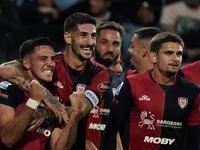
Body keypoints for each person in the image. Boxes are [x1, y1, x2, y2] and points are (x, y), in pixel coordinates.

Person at [0, 12, 111, 150]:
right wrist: (47, 96)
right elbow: (5, 68)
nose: (90, 42)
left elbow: (79, 110)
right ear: (68, 37)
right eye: (83, 35)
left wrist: (46, 113)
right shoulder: (50, 63)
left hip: (72, 142)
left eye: (93, 36)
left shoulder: (101, 74)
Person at [102, 32, 200, 150]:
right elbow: (111, 130)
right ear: (154, 56)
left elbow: (193, 141)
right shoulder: (132, 84)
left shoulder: (193, 92)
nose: (175, 58)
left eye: (178, 54)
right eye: (169, 53)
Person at [0, 37, 85, 150]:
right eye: (43, 59)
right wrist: (33, 101)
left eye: (53, 59)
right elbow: (7, 139)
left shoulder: (53, 103)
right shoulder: (8, 88)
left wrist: (75, 114)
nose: (50, 63)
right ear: (26, 63)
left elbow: (59, 148)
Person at [85, 21, 125, 150]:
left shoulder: (118, 82)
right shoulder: (80, 73)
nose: (110, 49)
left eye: (115, 44)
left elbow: (116, 125)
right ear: (94, 42)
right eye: (104, 42)